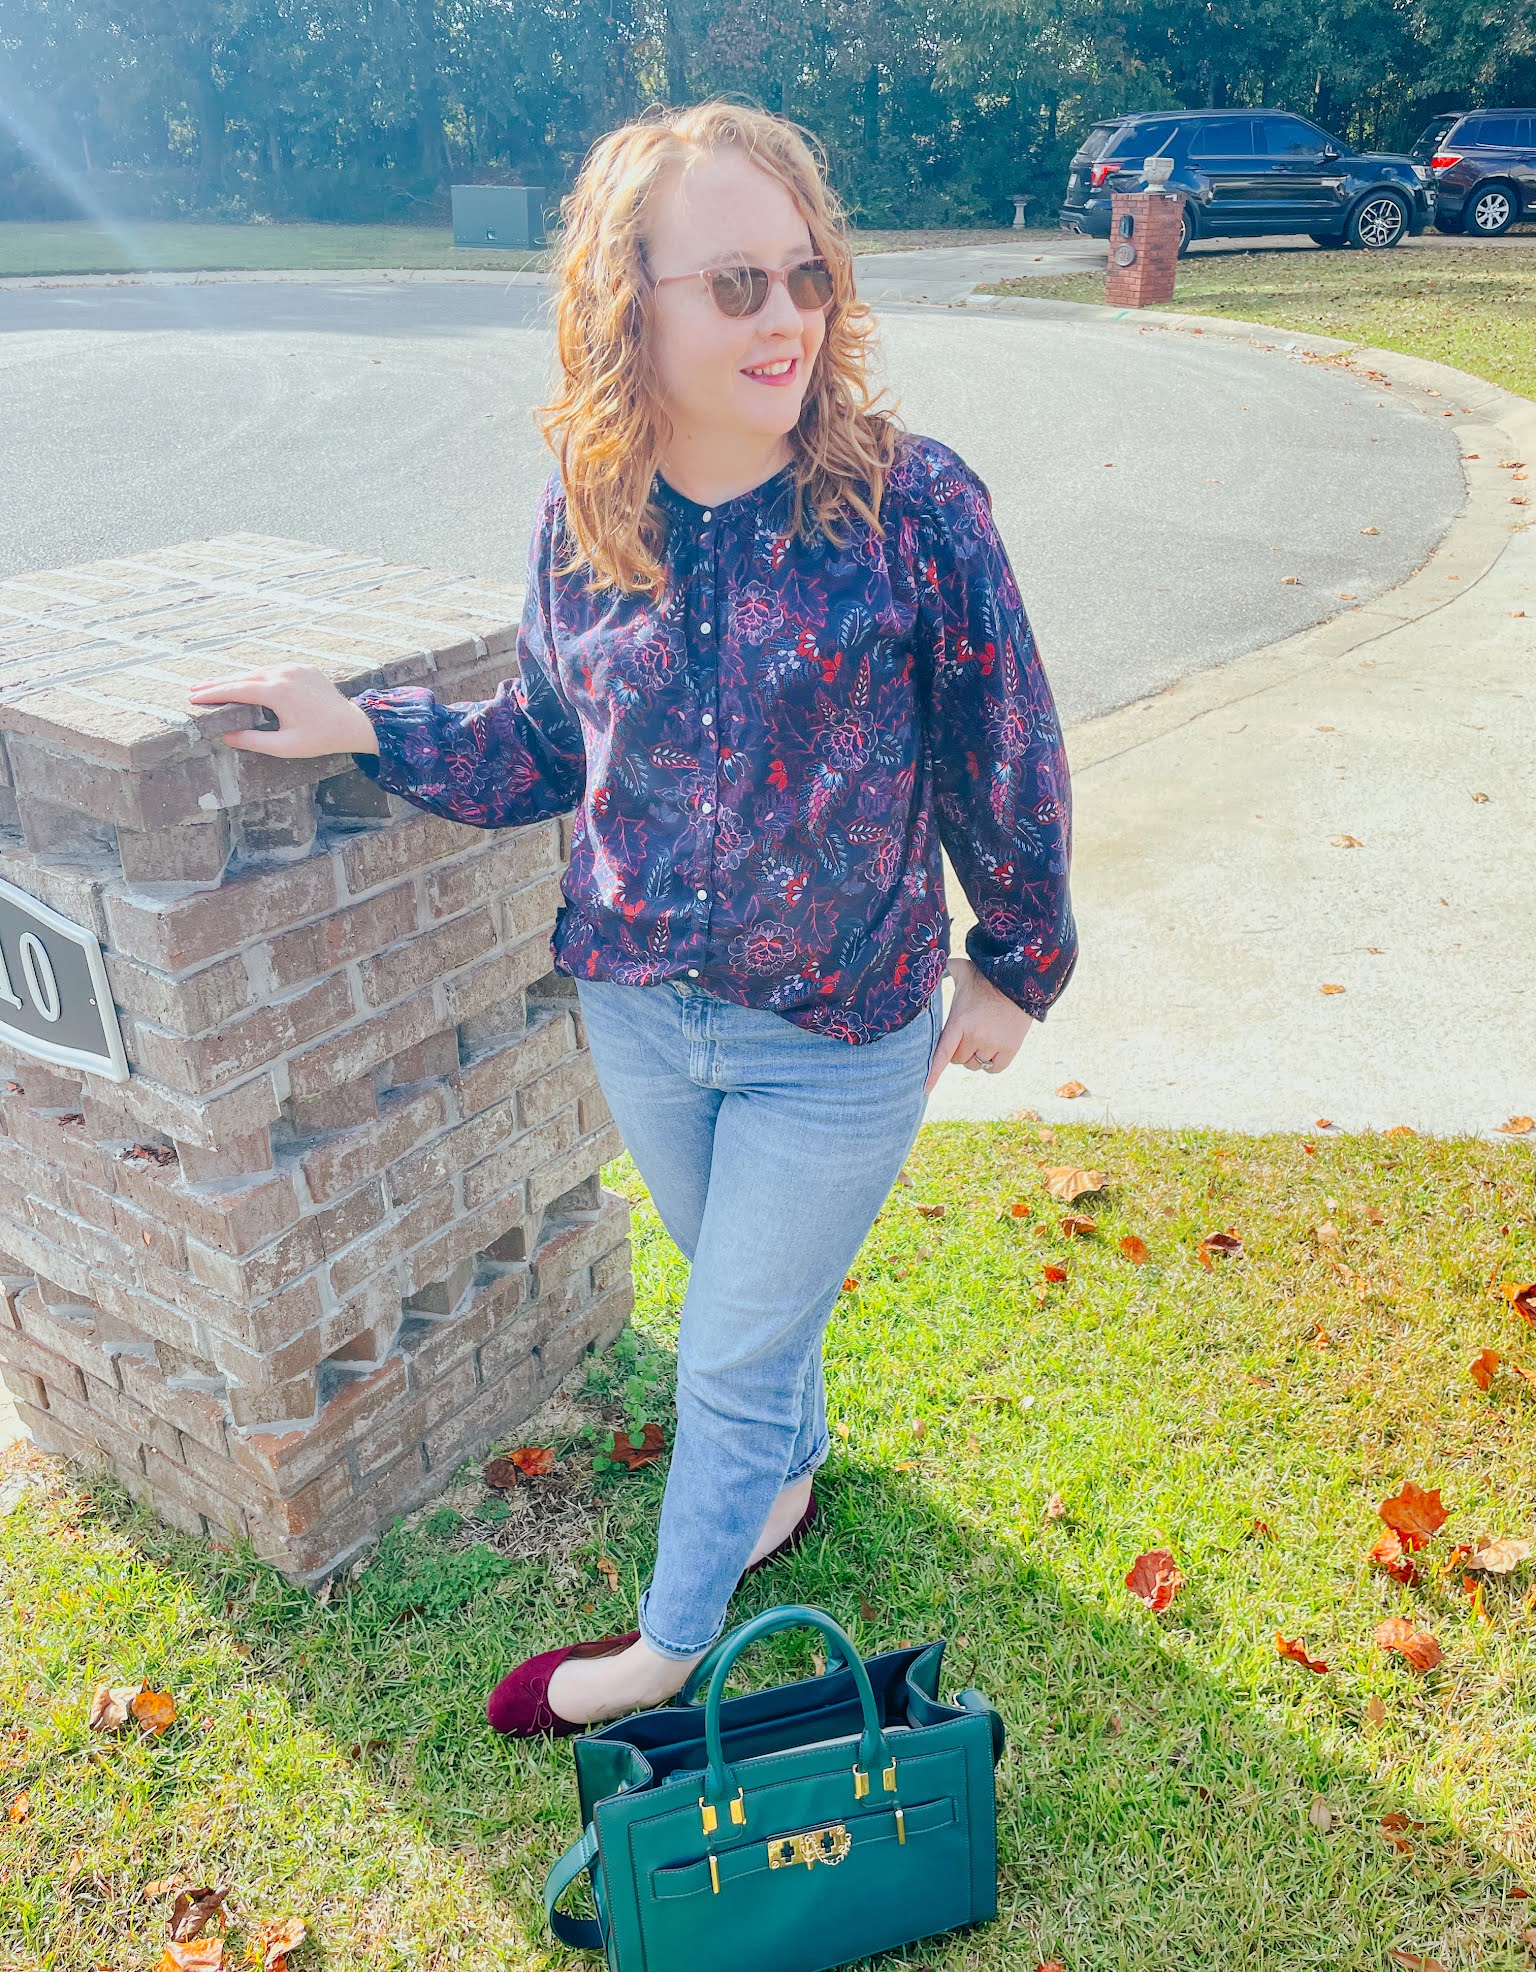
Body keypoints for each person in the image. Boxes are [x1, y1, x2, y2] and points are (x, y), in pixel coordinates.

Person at [186, 98, 1076, 1738]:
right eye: (733, 285)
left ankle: (666, 1649)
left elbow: (1002, 736)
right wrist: (366, 724)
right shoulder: (586, 511)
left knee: (726, 1346)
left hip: (841, 1033)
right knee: (750, 1293)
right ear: (631, 306)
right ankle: (787, 1481)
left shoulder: (914, 506)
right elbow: (542, 740)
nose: (788, 318)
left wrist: (1015, 960)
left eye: (804, 276)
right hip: (643, 1014)